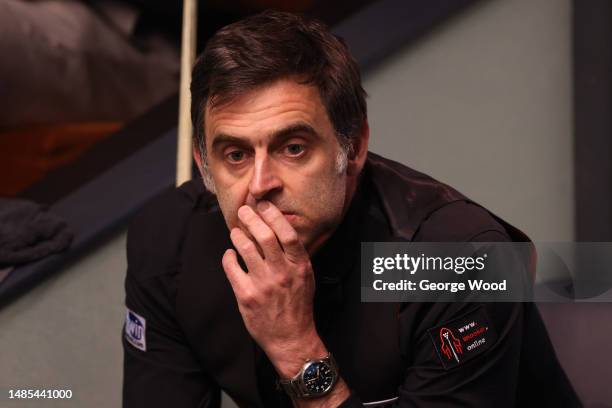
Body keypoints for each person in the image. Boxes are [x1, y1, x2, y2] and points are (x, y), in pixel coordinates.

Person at [122, 10, 580, 407]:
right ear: (203, 164)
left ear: (354, 146)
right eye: (236, 155)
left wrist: (296, 350)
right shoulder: (168, 242)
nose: (260, 185)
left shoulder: (459, 261)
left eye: (294, 147)